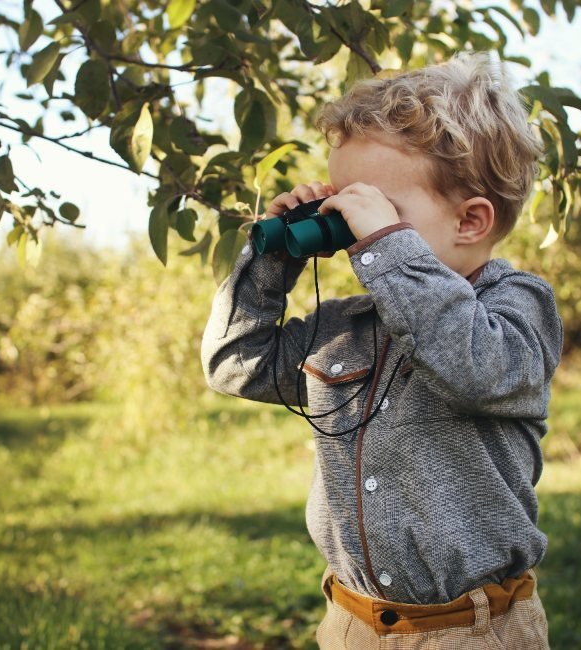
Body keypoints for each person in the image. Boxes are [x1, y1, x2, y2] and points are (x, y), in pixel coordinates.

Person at [200, 52, 562, 649]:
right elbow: (234, 363)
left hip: (473, 632)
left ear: (471, 220)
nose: (351, 229)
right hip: (351, 624)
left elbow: (474, 368)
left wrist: (386, 247)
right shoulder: (345, 325)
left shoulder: (518, 307)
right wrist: (273, 260)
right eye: (343, 204)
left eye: (377, 210)